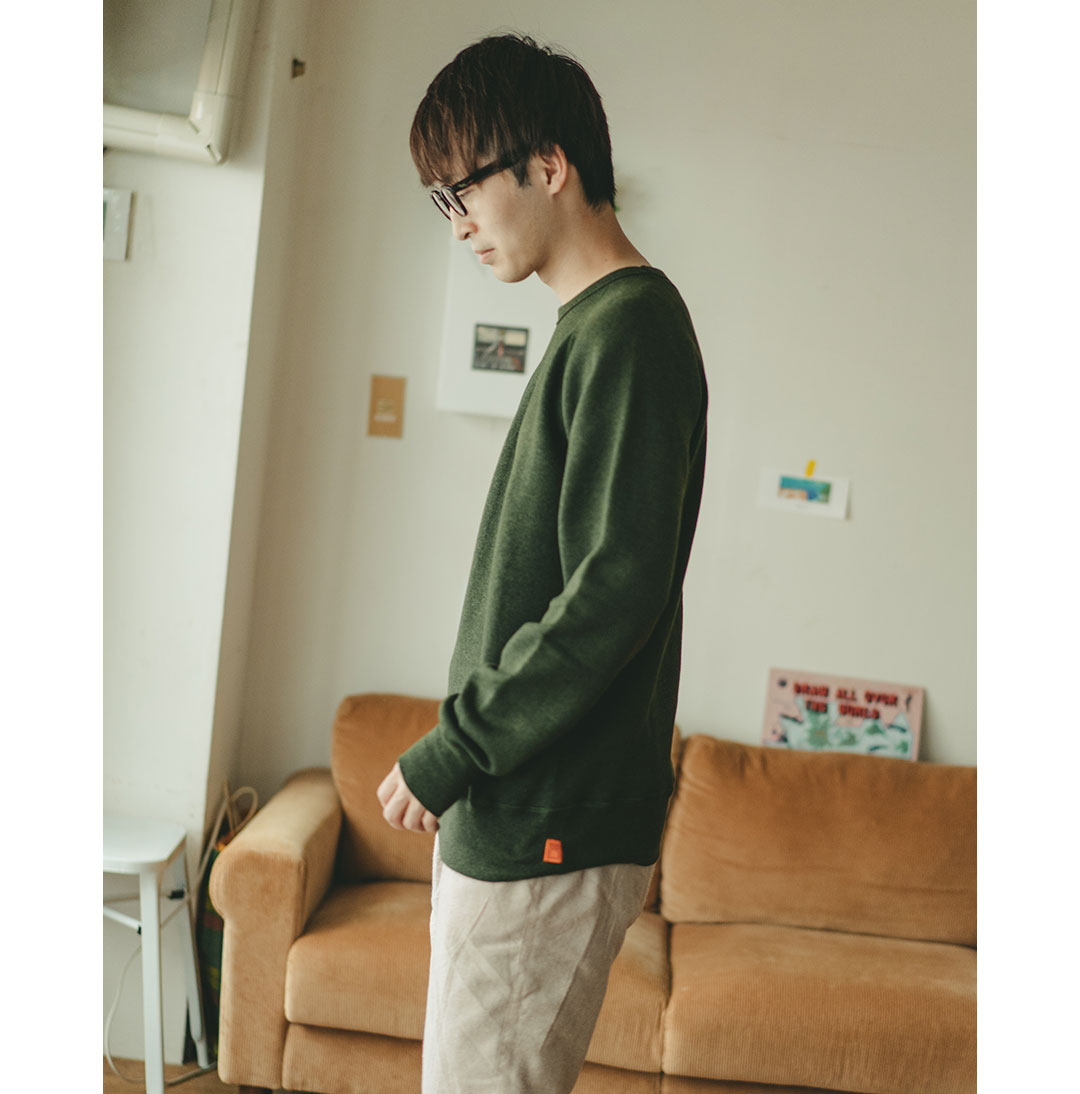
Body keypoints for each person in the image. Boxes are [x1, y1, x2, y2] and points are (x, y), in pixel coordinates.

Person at [377, 32, 708, 1094]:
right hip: (518, 816)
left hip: (549, 822)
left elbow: (611, 593)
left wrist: (453, 748)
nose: (458, 222)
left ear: (550, 164)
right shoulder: (590, 329)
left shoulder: (631, 331)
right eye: (443, 201)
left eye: (464, 190)